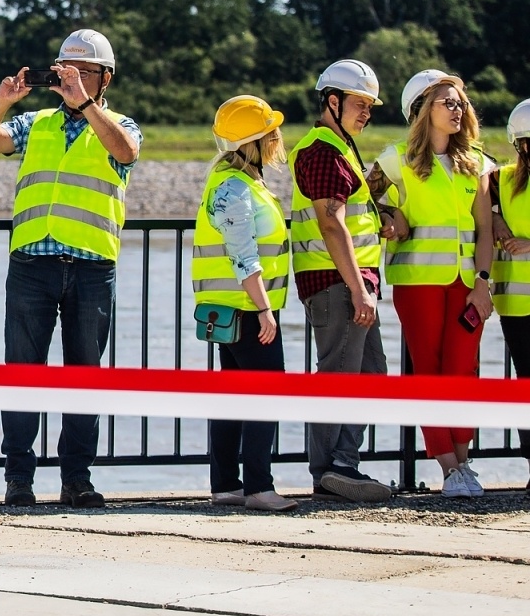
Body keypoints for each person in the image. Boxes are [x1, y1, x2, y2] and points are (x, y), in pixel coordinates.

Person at [0, 28, 140, 509]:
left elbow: (126, 153)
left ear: (104, 79)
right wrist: (2, 101)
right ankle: (18, 478)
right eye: (66, 71)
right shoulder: (35, 121)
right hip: (32, 264)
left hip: (91, 267)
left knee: (84, 377)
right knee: (22, 374)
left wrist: (87, 106)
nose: (72, 80)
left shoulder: (120, 124)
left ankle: (76, 479)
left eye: (84, 73)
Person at [370, 70, 493, 499]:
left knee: (463, 372)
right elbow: (364, 200)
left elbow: (484, 230)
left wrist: (483, 283)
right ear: (422, 110)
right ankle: (447, 467)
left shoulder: (475, 162)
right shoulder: (395, 159)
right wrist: (389, 217)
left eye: (461, 102)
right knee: (430, 371)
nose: (458, 109)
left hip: (467, 287)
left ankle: (464, 463)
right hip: (418, 283)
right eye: (448, 102)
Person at [288, 59, 393, 503]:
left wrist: (384, 216)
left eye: (370, 105)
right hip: (337, 283)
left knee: (370, 372)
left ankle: (342, 464)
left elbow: (351, 216)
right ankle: (328, 468)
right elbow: (331, 224)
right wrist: (357, 288)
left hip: (350, 280)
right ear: (333, 101)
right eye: (359, 103)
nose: (366, 112)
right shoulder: (324, 150)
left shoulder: (341, 148)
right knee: (339, 374)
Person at [191, 96, 296, 512]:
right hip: (247, 311)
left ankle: (227, 485)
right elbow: (243, 255)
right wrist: (265, 309)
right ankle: (258, 486)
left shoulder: (237, 183)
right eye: (272, 132)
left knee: (234, 395)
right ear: (256, 141)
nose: (277, 138)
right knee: (266, 394)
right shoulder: (235, 187)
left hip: (230, 310)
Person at [489, 99, 530, 494]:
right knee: (525, 388)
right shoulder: (499, 179)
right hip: (516, 306)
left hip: (516, 304)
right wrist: (497, 218)